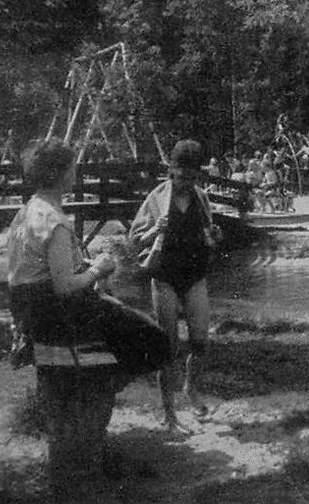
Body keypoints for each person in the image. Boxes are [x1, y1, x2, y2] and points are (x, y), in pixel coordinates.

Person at [7, 138, 169, 381]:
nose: (76, 173)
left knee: (116, 312)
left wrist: (87, 268)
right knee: (156, 339)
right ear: (56, 173)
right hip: (53, 309)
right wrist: (98, 270)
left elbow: (37, 269)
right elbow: (64, 286)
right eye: (72, 168)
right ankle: (106, 383)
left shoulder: (25, 211)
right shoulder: (54, 221)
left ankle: (93, 380)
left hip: (25, 307)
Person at [130, 139, 223, 431]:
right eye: (181, 177)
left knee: (201, 342)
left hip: (194, 275)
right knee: (167, 347)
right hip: (165, 275)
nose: (186, 183)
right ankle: (169, 414)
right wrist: (155, 229)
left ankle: (191, 389)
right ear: (171, 171)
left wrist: (215, 236)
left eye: (193, 178)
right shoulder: (157, 198)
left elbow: (209, 235)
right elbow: (134, 240)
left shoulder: (201, 197)